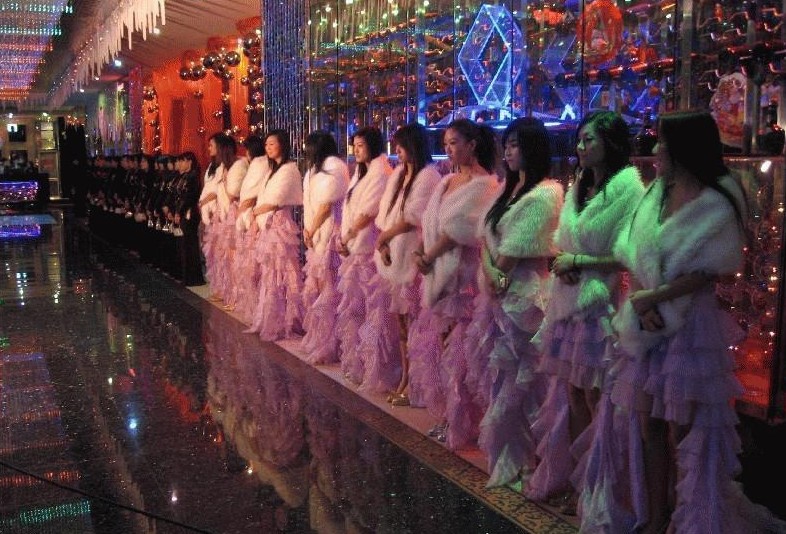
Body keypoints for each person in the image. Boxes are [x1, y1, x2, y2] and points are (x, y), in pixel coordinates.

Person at [608, 111, 784, 534]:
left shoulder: (718, 198)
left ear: (684, 147)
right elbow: (632, 250)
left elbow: (711, 269)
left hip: (689, 324)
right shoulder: (656, 193)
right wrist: (642, 299)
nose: (655, 150)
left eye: (663, 142)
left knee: (683, 428)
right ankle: (655, 514)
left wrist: (654, 298)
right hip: (647, 319)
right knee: (648, 423)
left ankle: (687, 518)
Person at [526, 111, 644, 514]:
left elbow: (627, 255)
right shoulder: (579, 185)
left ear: (610, 142)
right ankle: (577, 480)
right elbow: (563, 239)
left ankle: (599, 489)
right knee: (573, 394)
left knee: (598, 397)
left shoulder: (629, 189)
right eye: (579, 139)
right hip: (567, 300)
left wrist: (579, 260)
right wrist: (565, 259)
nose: (580, 147)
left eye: (589, 139)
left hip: (600, 304)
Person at [467, 118, 563, 487]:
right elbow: (486, 239)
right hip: (498, 293)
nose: (507, 152)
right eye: (506, 145)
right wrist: (490, 271)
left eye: (515, 145)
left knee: (528, 379)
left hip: (525, 295)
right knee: (502, 374)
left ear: (533, 149)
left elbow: (518, 247)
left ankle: (534, 459)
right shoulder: (507, 190)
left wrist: (497, 271)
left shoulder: (544, 194)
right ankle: (510, 455)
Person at [407, 118, 500, 449]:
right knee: (441, 347)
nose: (448, 149)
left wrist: (429, 255)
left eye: (454, 143)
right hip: (436, 271)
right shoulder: (446, 180)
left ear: (472, 145)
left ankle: (460, 422)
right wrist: (421, 252)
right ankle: (448, 416)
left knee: (459, 353)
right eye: (445, 143)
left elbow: (459, 231)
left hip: (461, 278)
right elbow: (430, 222)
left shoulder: (485, 184)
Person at [360, 123, 442, 401]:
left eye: (402, 145)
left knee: (414, 323)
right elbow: (386, 214)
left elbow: (413, 217)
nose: (398, 150)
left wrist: (386, 236)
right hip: (391, 253)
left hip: (409, 252)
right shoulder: (398, 174)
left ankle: (415, 383)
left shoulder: (428, 176)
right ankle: (404, 378)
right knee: (400, 326)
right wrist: (384, 241)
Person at [335, 127, 393, 386]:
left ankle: (375, 368)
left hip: (367, 247)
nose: (356, 150)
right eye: (354, 145)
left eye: (361, 145)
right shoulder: (361, 172)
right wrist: (344, 238)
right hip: (353, 244)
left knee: (371, 309)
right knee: (355, 308)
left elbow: (368, 212)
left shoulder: (380, 173)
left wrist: (348, 236)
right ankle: (358, 362)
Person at [245, 130, 305, 341]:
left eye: (272, 144)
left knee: (284, 272)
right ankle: (272, 318)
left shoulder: (289, 169)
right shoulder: (271, 170)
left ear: (282, 145)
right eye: (266, 144)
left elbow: (276, 200)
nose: (268, 148)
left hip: (280, 225)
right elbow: (264, 198)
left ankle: (287, 319)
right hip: (268, 226)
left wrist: (255, 211)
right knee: (269, 273)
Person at [301, 131, 349, 363]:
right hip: (315, 232)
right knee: (320, 288)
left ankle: (332, 344)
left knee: (329, 289)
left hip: (327, 232)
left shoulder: (334, 168)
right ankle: (321, 339)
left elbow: (325, 206)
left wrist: (311, 229)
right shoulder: (314, 171)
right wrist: (308, 229)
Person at [233, 135, 267, 323]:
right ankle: (254, 308)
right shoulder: (255, 165)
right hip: (249, 216)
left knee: (255, 265)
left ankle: (258, 310)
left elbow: (253, 192)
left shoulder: (259, 165)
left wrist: (244, 207)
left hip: (254, 218)